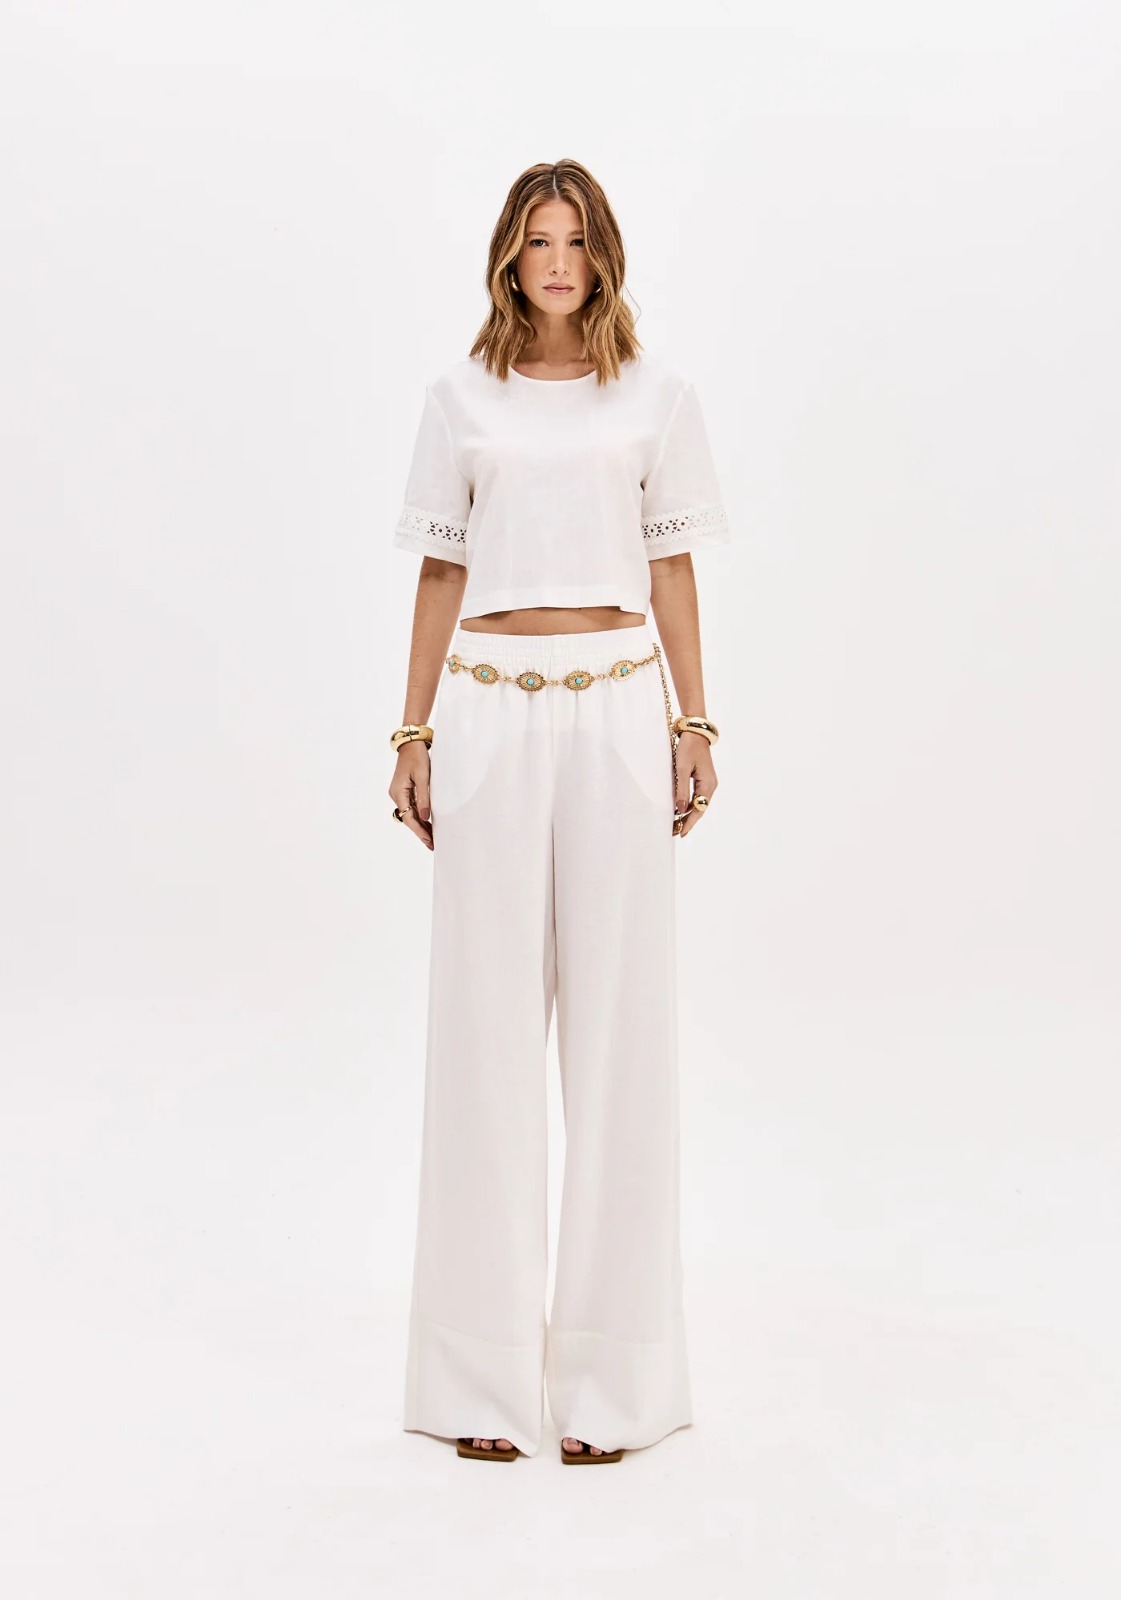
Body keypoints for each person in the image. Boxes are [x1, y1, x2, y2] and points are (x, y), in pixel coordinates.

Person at [388, 159, 730, 1464]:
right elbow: (439, 570)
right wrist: (413, 731)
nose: (557, 262)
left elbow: (670, 566)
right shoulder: (458, 398)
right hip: (485, 710)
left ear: (603, 256)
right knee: (481, 1039)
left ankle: (614, 1387)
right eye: (537, 241)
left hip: (617, 713)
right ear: (507, 256)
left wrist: (694, 723)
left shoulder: (655, 396)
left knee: (619, 1038)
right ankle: (475, 1385)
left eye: (575, 241)